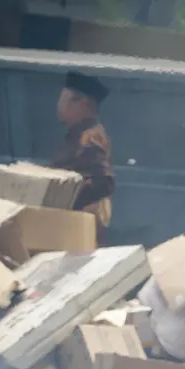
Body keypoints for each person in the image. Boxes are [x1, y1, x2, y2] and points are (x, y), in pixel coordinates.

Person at [53, 71, 114, 242]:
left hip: (80, 230)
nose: (59, 106)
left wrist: (67, 196)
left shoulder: (90, 137)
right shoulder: (77, 135)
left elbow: (104, 182)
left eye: (64, 100)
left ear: (82, 103)